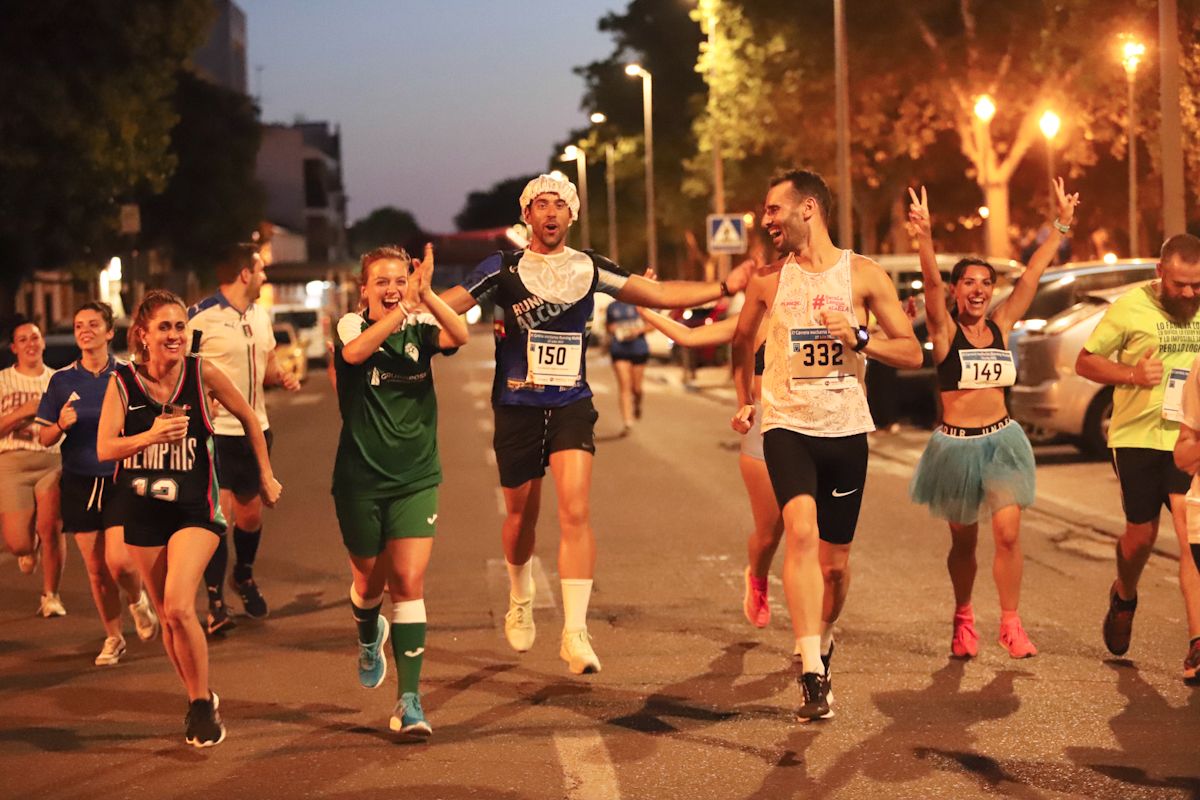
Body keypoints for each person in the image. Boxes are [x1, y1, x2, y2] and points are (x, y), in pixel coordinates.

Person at [440, 173, 749, 675]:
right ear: (528, 215)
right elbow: (450, 304)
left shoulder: (589, 267)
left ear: (572, 215)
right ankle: (521, 591)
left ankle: (576, 632)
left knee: (576, 509)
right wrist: (408, 302)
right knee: (521, 518)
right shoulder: (503, 268)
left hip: (571, 403)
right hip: (517, 404)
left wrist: (722, 286)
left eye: (560, 205)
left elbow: (658, 293)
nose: (551, 212)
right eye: (542, 204)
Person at [731, 169, 922, 720]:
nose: (766, 220)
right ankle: (811, 668)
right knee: (800, 533)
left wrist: (860, 337)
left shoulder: (862, 275)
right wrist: (747, 395)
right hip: (787, 426)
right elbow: (742, 340)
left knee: (835, 568)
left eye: (773, 210)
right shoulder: (768, 281)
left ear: (807, 208)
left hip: (845, 430)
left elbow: (911, 353)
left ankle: (825, 637)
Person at [98, 290, 281, 747]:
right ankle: (198, 696)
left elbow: (250, 418)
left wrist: (266, 474)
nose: (176, 335)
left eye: (180, 326)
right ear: (142, 334)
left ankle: (201, 706)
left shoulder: (202, 374)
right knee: (167, 616)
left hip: (195, 511)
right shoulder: (122, 382)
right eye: (165, 327)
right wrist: (150, 434)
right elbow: (104, 448)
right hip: (142, 511)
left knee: (180, 605)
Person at [907, 180, 1080, 660]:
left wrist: (1060, 225)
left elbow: (1032, 275)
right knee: (965, 544)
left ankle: (1010, 623)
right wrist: (924, 234)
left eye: (985, 283)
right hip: (956, 449)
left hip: (1003, 442)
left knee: (1008, 533)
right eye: (970, 283)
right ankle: (964, 617)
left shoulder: (1002, 324)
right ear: (958, 291)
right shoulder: (944, 333)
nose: (979, 290)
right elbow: (933, 286)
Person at [334, 244, 467, 739]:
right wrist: (400, 311)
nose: (392, 289)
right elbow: (355, 353)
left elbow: (460, 335)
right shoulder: (350, 325)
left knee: (407, 583)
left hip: (416, 476)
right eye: (382, 282)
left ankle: (409, 701)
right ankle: (369, 632)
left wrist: (427, 295)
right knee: (369, 586)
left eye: (398, 280)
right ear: (364, 289)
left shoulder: (419, 327)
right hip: (360, 480)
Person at [1077, 233, 1200, 683]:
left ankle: (1196, 645)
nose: (1189, 293)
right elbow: (1085, 362)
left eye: (1197, 286)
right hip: (1137, 436)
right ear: (1160, 273)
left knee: (1191, 536)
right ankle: (1124, 593)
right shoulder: (1129, 308)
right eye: (1181, 284)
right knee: (1141, 537)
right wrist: (1132, 373)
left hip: (1189, 438)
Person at [636, 294, 783, 629]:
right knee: (769, 533)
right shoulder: (760, 322)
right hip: (764, 429)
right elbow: (689, 336)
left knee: (811, 533)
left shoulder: (825, 312)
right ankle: (758, 579)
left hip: (813, 429)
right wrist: (646, 308)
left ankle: (812, 642)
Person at [35, 302, 160, 665]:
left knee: (120, 561)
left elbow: (150, 420)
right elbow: (43, 438)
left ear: (109, 332)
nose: (85, 330)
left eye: (93, 324)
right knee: (95, 568)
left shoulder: (128, 375)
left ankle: (137, 600)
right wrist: (59, 424)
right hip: (78, 480)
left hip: (120, 477)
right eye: (78, 325)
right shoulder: (61, 380)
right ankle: (114, 636)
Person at [187, 245, 299, 635]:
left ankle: (244, 576)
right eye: (261, 270)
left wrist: (281, 375)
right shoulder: (200, 317)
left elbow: (267, 363)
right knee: (221, 516)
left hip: (255, 431)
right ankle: (216, 601)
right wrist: (201, 402)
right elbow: (179, 370)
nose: (266, 276)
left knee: (250, 517)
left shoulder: (260, 315)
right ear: (244, 274)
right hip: (216, 434)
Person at [0, 319, 66, 617]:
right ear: (14, 347)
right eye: (22, 339)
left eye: (35, 338)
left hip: (51, 460)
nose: (30, 344)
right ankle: (30, 547)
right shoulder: (2, 381)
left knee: (52, 528)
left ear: (43, 342)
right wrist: (22, 412)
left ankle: (51, 594)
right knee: (18, 543)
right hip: (12, 463)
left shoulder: (58, 381)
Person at [605, 300, 649, 434]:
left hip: (638, 349)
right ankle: (627, 422)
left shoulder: (639, 304)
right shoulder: (612, 307)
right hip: (619, 350)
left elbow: (652, 325)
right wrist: (611, 328)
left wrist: (639, 330)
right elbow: (607, 326)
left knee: (637, 388)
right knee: (625, 386)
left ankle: (637, 403)